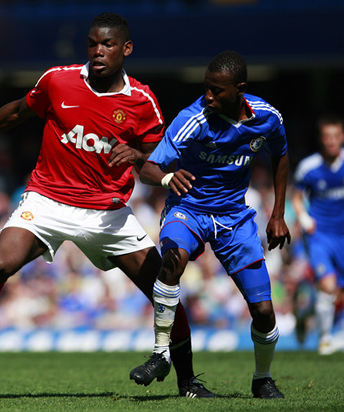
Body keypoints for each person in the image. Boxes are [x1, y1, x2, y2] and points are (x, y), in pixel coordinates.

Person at [0, 12, 214, 398]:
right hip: (47, 200)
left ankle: (187, 382)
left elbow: (158, 156)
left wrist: (140, 157)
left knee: (163, 287)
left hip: (106, 213)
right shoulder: (57, 80)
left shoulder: (141, 101)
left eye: (107, 44)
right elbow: (16, 111)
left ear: (125, 49)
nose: (98, 51)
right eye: (93, 43)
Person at [129, 50, 291, 399]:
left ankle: (262, 378)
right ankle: (160, 354)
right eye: (206, 88)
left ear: (239, 89)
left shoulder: (267, 117)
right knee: (173, 260)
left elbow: (280, 154)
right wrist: (169, 175)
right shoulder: (192, 119)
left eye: (217, 90)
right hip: (188, 209)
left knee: (263, 310)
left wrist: (278, 214)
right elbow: (148, 169)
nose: (208, 96)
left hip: (234, 218)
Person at [291, 115, 344, 355]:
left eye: (336, 136)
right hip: (319, 234)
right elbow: (296, 196)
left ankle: (304, 316)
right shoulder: (309, 167)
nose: (332, 141)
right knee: (328, 285)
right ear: (322, 140)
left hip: (342, 235)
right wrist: (302, 216)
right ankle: (325, 339)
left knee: (336, 294)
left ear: (341, 137)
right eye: (327, 137)